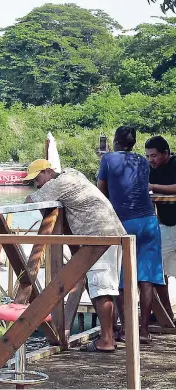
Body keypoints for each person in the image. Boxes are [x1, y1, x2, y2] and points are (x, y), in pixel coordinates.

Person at [24, 159, 126, 353]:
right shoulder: (73, 174)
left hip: (100, 237)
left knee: (101, 288)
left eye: (37, 178)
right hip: (109, 232)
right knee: (102, 286)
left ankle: (107, 340)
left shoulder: (58, 184)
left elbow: (30, 202)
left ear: (47, 171)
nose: (36, 184)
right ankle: (109, 335)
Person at [97, 126, 164, 344]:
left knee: (123, 277)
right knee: (146, 279)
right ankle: (143, 331)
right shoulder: (142, 161)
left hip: (124, 222)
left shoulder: (107, 160)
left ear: (115, 141)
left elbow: (100, 191)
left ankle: (126, 329)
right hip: (149, 221)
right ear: (134, 143)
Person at [145, 135, 176, 323]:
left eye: (154, 156)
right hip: (165, 224)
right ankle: (166, 315)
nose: (151, 160)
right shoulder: (151, 169)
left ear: (166, 153)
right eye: (148, 156)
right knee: (159, 271)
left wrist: (154, 187)